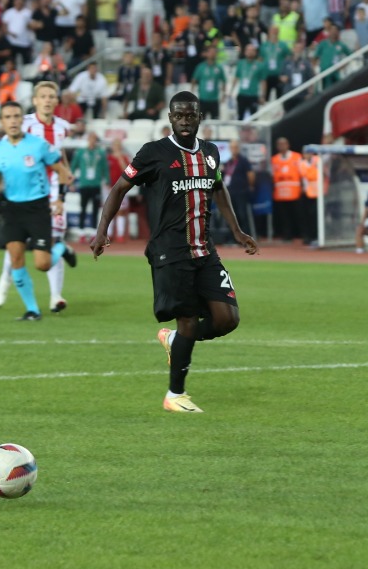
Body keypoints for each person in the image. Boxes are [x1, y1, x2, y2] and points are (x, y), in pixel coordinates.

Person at [90, 91, 259, 414]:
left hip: (205, 251)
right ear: (170, 118)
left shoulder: (210, 153)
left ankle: (175, 341)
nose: (184, 120)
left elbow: (218, 187)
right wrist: (102, 230)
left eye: (190, 115)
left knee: (227, 319)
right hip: (170, 251)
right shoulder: (154, 153)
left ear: (199, 117)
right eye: (178, 115)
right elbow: (119, 188)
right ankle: (175, 395)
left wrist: (237, 231)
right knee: (189, 321)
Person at [0, 102, 70, 323]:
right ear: (2, 122)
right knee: (15, 259)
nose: (13, 121)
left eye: (16, 116)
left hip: (37, 208)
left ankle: (60, 249)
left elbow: (62, 172)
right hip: (13, 210)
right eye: (8, 117)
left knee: (42, 264)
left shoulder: (39, 145)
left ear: (22, 120)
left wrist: (60, 198)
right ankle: (32, 309)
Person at [21, 81, 80, 312]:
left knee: (53, 239)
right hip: (29, 189)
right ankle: (4, 285)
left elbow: (59, 152)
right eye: (43, 96)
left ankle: (56, 296)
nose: (47, 100)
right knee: (19, 241)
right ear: (35, 100)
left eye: (51, 96)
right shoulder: (24, 123)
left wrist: (66, 171)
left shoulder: (63, 127)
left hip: (54, 188)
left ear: (56, 101)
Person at [70, 131, 108, 234]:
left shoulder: (100, 153)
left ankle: (94, 231)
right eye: (91, 138)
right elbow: (73, 167)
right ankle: (81, 230)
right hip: (84, 184)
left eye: (94, 139)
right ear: (88, 139)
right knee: (83, 207)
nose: (92, 141)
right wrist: (71, 182)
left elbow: (105, 168)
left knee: (96, 209)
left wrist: (108, 181)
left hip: (96, 184)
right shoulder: (81, 152)